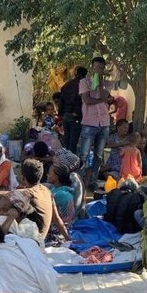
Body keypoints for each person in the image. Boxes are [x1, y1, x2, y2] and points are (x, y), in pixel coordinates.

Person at [0, 159, 68, 241]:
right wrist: (69, 239)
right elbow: (58, 220)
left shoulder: (27, 193)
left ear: (23, 178)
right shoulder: (46, 190)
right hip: (40, 238)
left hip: (30, 240)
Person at [78, 57, 111, 190]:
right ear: (92, 68)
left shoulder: (107, 83)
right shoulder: (84, 82)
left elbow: (104, 95)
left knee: (98, 155)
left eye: (101, 68)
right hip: (89, 122)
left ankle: (92, 181)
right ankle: (80, 182)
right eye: (96, 67)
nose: (99, 70)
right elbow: (87, 100)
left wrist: (101, 83)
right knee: (84, 155)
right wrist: (101, 99)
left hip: (104, 123)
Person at [59, 66, 86, 153]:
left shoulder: (66, 85)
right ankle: (71, 162)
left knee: (67, 140)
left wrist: (61, 114)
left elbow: (61, 101)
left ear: (76, 73)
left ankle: (65, 160)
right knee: (73, 142)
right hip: (77, 115)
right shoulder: (84, 85)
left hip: (66, 114)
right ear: (85, 75)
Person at [46, 163, 76, 236]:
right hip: (64, 227)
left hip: (59, 231)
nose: (47, 175)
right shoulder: (62, 190)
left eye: (49, 173)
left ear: (56, 176)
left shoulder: (60, 195)